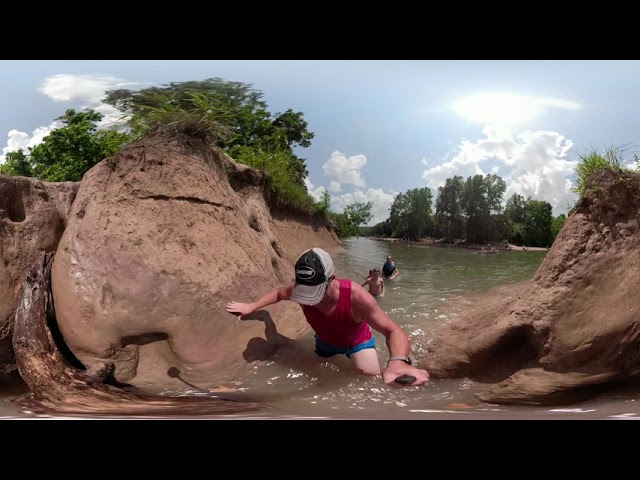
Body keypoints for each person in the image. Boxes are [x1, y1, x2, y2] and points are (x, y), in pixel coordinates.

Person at [226, 247, 428, 388]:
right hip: (325, 340)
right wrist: (252, 306)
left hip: (357, 342)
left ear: (333, 279)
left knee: (370, 378)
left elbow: (392, 330)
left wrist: (399, 362)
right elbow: (279, 293)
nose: (311, 300)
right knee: (318, 370)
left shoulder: (358, 297)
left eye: (317, 291)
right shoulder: (298, 289)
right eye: (306, 292)